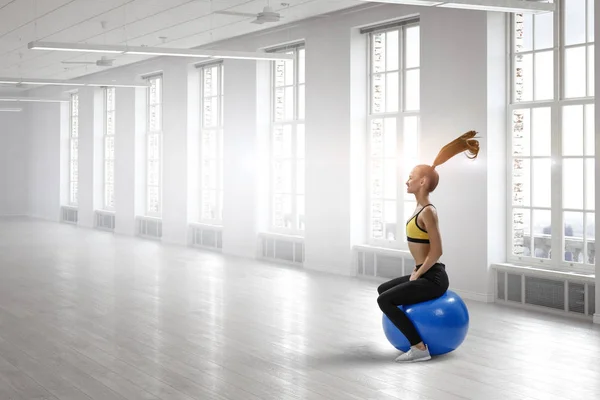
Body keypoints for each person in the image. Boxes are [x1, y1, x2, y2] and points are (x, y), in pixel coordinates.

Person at [376, 131, 480, 363]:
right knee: (383, 290)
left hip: (433, 277)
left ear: (422, 182)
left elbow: (437, 251)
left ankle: (419, 347)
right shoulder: (418, 209)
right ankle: (416, 331)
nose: (407, 180)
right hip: (424, 272)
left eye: (411, 177)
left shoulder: (429, 211)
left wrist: (418, 273)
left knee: (384, 301)